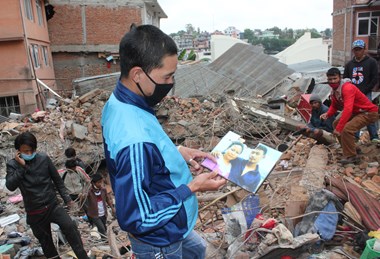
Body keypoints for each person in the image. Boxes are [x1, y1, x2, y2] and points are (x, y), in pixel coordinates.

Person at [101, 24, 226, 258]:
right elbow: (138, 217)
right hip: (158, 238)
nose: (170, 83)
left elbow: (148, 145)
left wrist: (178, 151)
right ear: (137, 74)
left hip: (173, 223)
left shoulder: (122, 102)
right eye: (166, 76)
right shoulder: (134, 140)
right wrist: (193, 187)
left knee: (198, 251)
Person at [6, 132, 88, 259]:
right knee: (47, 244)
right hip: (35, 213)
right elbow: (10, 186)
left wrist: (68, 200)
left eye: (31, 150)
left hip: (52, 206)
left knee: (71, 228)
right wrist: (21, 167)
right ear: (18, 151)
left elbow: (57, 181)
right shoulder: (13, 165)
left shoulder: (43, 158)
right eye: (25, 151)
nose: (28, 154)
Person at [321, 68, 379, 165]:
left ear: (340, 78)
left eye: (334, 79)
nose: (332, 81)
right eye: (330, 79)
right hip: (357, 112)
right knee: (336, 123)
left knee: (346, 129)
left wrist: (339, 129)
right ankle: (352, 149)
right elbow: (334, 105)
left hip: (368, 112)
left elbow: (348, 109)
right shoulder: (334, 91)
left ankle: (352, 157)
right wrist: (328, 114)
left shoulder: (347, 88)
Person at [343, 39, 380, 143]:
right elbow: (346, 79)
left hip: (365, 93)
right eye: (355, 50)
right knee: (354, 114)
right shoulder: (350, 64)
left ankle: (374, 136)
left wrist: (365, 90)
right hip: (352, 95)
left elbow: (375, 78)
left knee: (368, 114)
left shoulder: (371, 62)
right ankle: (355, 136)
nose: (357, 52)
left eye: (359, 49)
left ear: (364, 49)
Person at [86, 173, 115, 238]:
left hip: (103, 213)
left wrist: (112, 208)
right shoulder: (89, 191)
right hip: (94, 214)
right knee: (101, 228)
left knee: (104, 226)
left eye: (101, 182)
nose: (100, 184)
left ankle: (103, 239)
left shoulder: (103, 190)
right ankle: (105, 240)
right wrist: (82, 196)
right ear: (93, 183)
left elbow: (108, 199)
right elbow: (83, 200)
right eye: (98, 182)